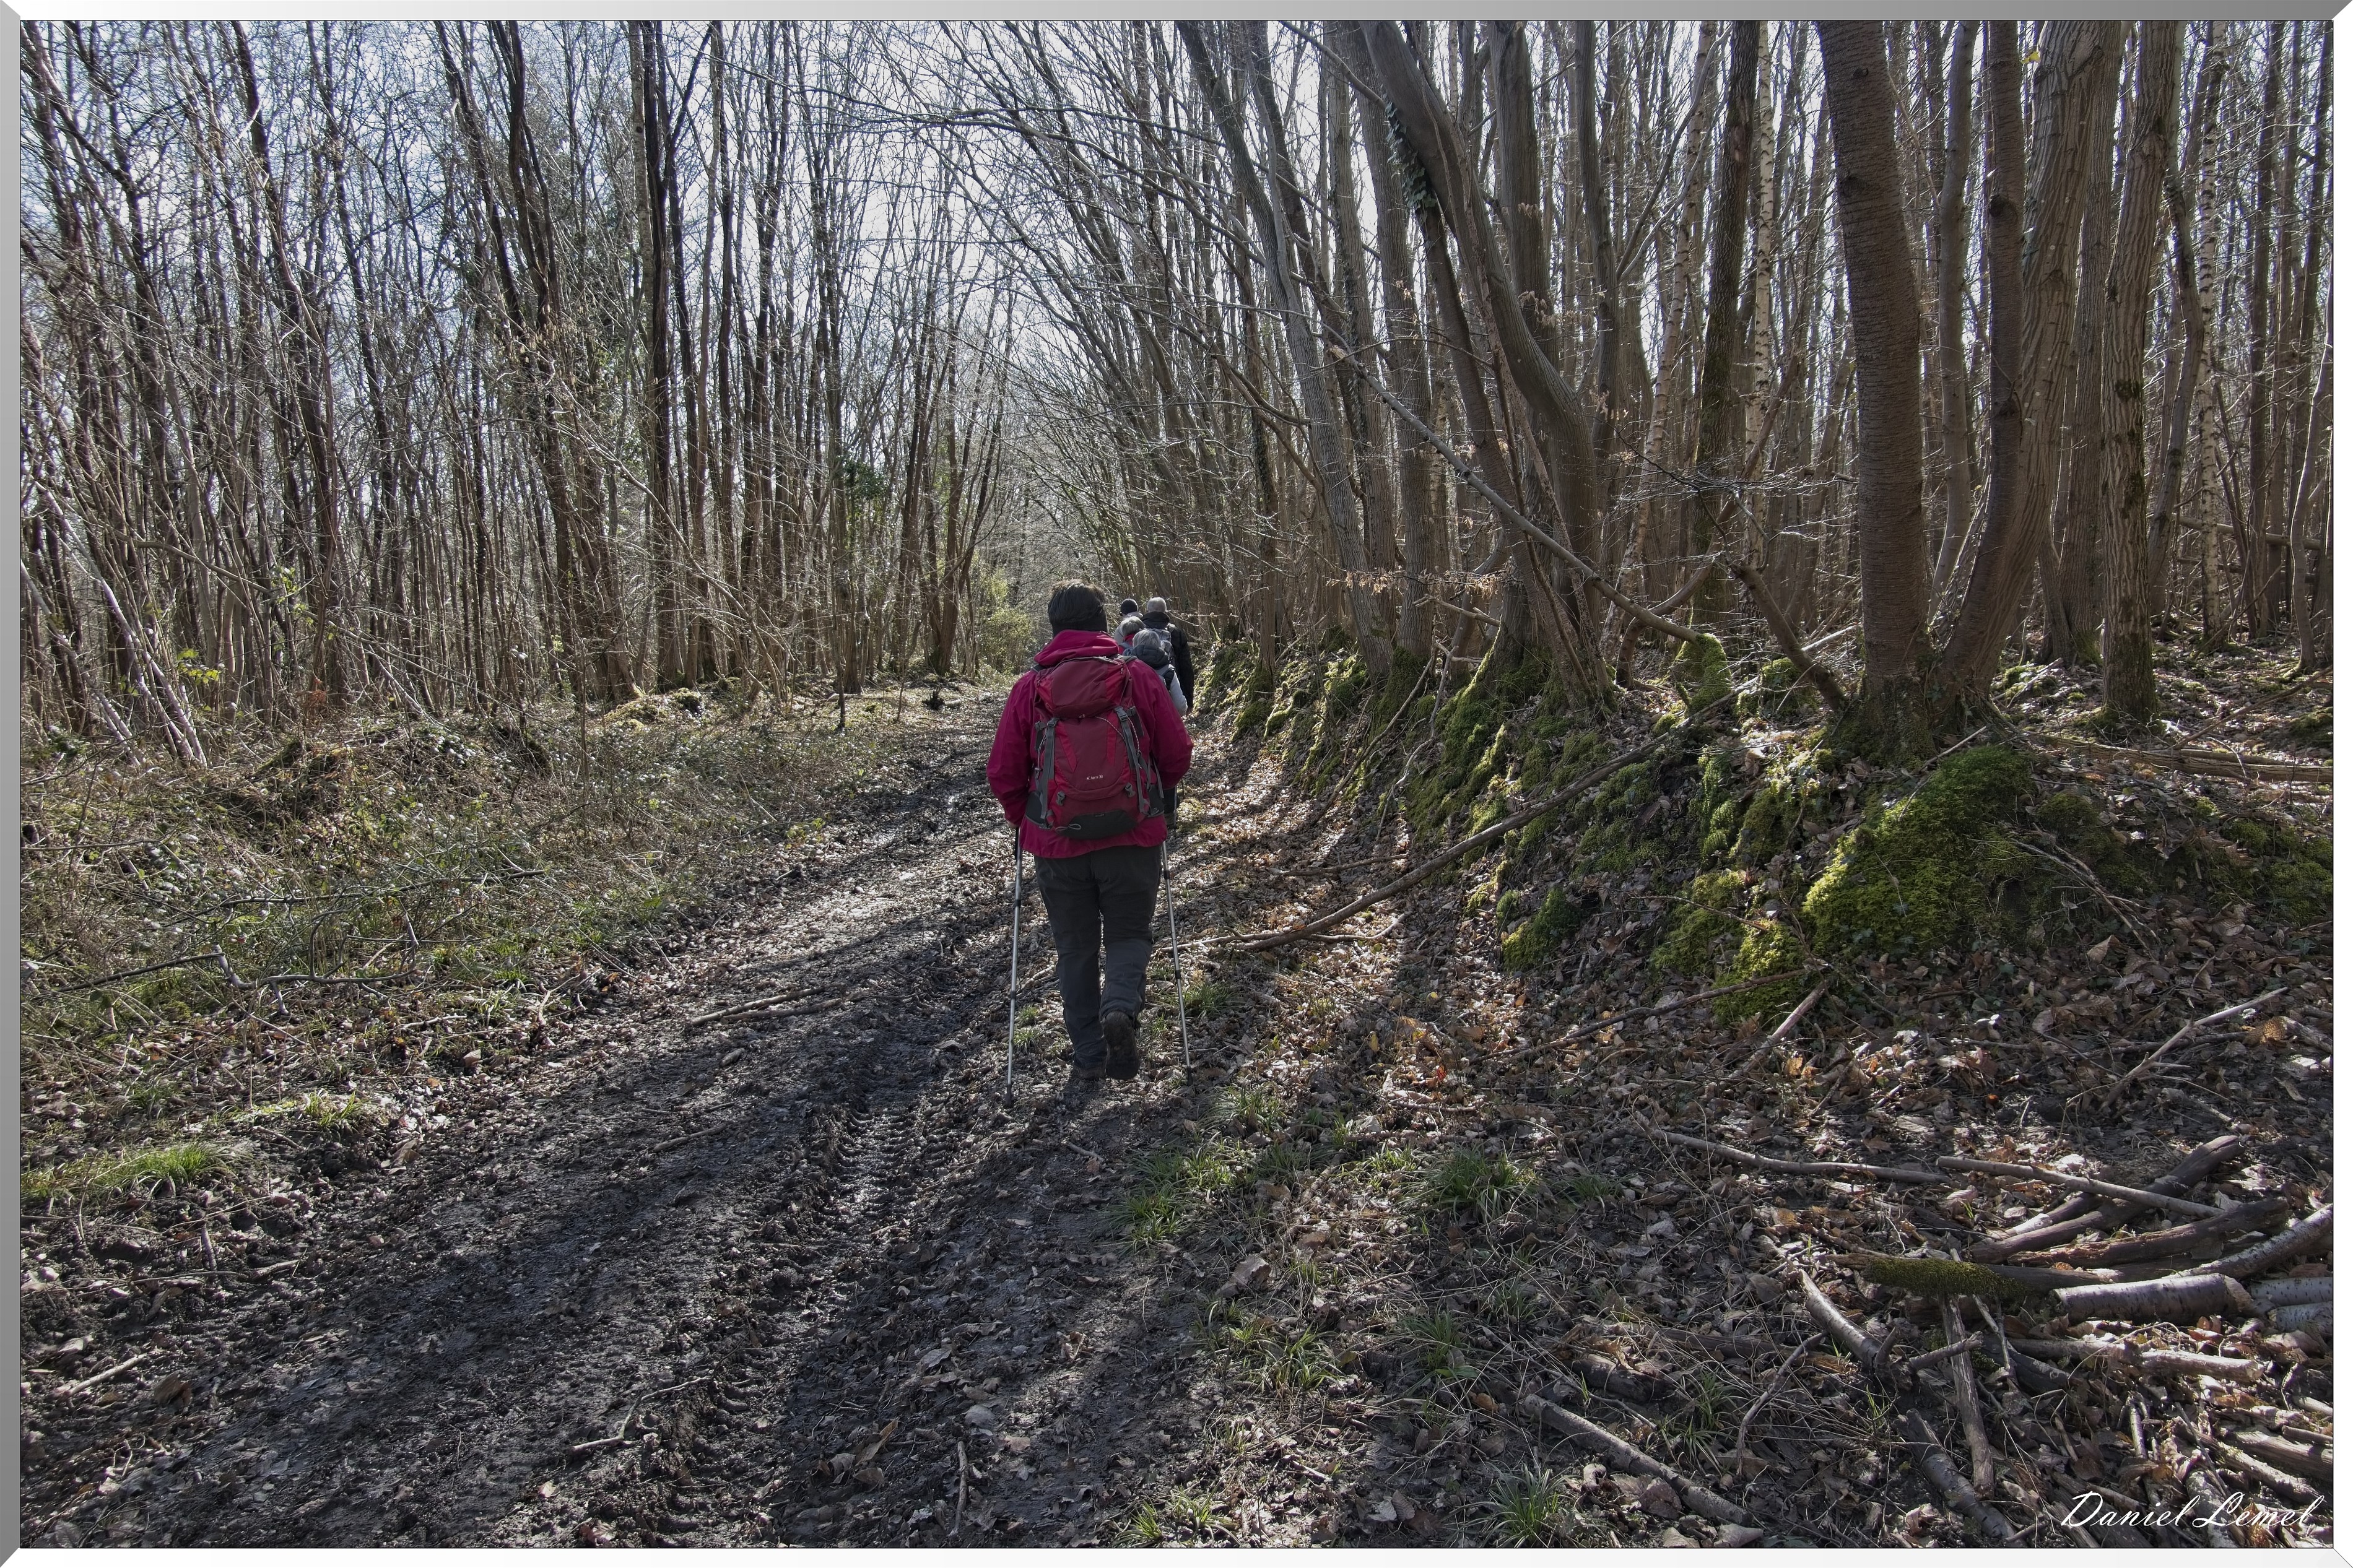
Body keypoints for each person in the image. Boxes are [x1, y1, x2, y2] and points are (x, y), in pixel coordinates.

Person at [988, 583, 1192, 1089]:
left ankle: (1088, 1055)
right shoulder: (1137, 677)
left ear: (1053, 628)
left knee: (1075, 948)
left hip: (1058, 845)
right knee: (1128, 934)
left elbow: (1003, 773)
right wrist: (1153, 797)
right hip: (1133, 836)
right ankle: (1120, 1005)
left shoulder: (1029, 689)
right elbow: (1177, 753)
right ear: (1101, 624)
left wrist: (1027, 821)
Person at [1141, 596, 1197, 713]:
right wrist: (1189, 701)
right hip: (1171, 692)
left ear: (1148, 611)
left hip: (1145, 695)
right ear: (1165, 612)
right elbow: (1186, 668)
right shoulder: (1176, 633)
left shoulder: (1139, 632)